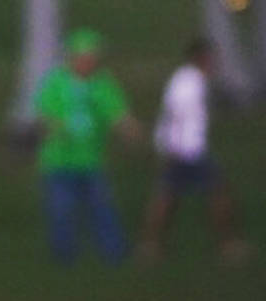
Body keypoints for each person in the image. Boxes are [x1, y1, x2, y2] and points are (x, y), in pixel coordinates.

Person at [33, 28, 141, 265]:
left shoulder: (103, 83)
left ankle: (114, 253)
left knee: (102, 208)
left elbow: (117, 112)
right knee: (62, 211)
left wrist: (129, 129)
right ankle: (64, 257)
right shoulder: (56, 81)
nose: (88, 62)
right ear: (72, 57)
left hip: (92, 160)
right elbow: (43, 114)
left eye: (92, 57)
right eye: (84, 57)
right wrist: (54, 126)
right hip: (59, 161)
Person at [138, 38, 249, 264]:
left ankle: (150, 246)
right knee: (216, 192)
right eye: (211, 58)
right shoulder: (188, 83)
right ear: (201, 58)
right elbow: (175, 116)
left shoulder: (190, 80)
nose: (215, 63)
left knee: (167, 197)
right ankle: (229, 246)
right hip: (187, 150)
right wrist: (173, 148)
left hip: (183, 149)